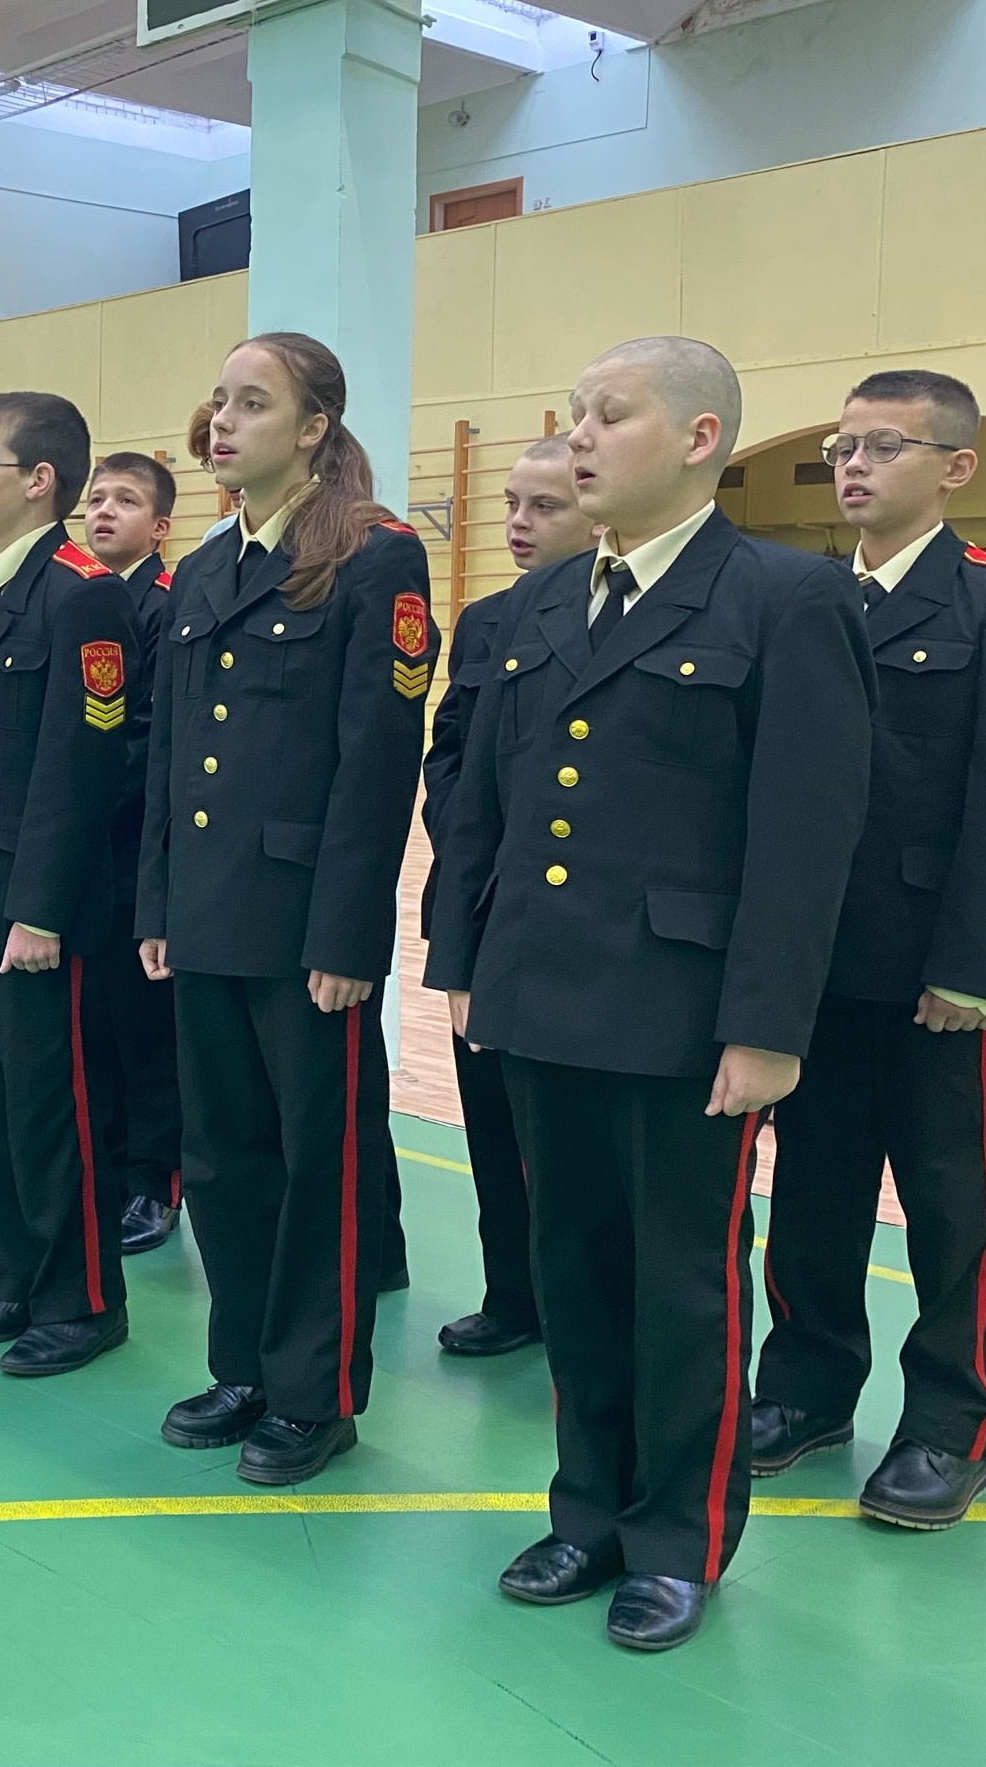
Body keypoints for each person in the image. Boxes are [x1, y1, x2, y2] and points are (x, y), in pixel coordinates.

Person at [425, 336, 874, 1653]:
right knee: (569, 1272)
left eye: (608, 415)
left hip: (681, 1013)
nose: (579, 436)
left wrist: (768, 1028)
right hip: (540, 995)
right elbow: (486, 809)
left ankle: (677, 1537)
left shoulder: (783, 599)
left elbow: (805, 837)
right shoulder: (543, 606)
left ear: (697, 437)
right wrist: (464, 964)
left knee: (683, 1287)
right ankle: (588, 1511)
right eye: (574, 415)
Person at [753, 371, 986, 1531]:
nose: (852, 464)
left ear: (954, 468)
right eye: (841, 446)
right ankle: (804, 1390)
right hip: (814, 963)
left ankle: (948, 1426)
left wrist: (974, 966)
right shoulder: (800, 597)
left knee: (952, 1208)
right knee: (813, 1192)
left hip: (935, 973)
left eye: (883, 445)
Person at [137, 336, 432, 1486]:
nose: (222, 421)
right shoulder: (206, 567)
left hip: (306, 926)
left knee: (321, 1167)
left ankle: (314, 1395)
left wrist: (349, 935)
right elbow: (171, 759)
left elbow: (376, 763)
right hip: (207, 913)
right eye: (218, 400)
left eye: (252, 403)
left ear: (313, 428)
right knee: (220, 1157)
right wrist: (159, 901)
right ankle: (244, 1368)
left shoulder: (372, 555)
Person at [0, 391, 137, 1377]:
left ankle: (79, 1300)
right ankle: (14, 1282)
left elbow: (80, 768)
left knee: (52, 1110)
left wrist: (39, 909)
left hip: (35, 908)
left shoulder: (81, 594)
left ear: (39, 480)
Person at [422, 437, 599, 1358]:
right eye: (511, 504)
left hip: (581, 921)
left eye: (545, 506)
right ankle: (512, 1293)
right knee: (491, 1117)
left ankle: (581, 1308)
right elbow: (451, 753)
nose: (519, 524)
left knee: (574, 1141)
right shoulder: (488, 620)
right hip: (487, 903)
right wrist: (470, 845)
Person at [79, 451, 183, 1253]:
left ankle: (155, 1180)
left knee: (145, 1029)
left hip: (133, 845)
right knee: (94, 1026)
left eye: (125, 500)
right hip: (81, 853)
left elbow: (144, 735)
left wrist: (77, 801)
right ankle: (110, 1169)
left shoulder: (163, 605)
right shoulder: (82, 597)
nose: (104, 511)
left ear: (160, 526)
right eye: (95, 498)